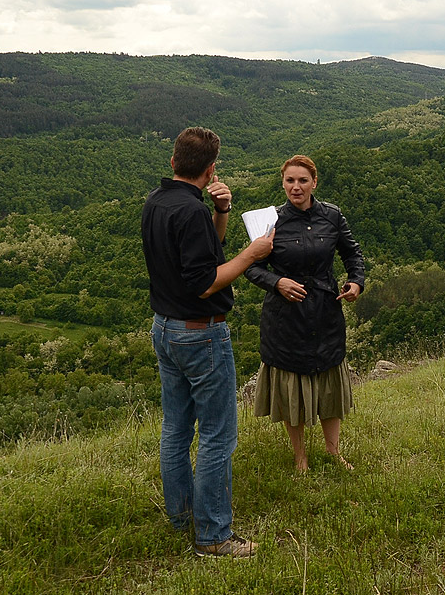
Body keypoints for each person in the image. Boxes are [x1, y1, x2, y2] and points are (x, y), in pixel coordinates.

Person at [142, 126, 274, 558]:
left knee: (176, 428)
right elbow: (204, 281)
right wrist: (252, 255)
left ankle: (181, 515)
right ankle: (213, 536)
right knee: (218, 435)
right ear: (211, 167)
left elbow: (203, 251)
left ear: (174, 162)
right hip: (201, 333)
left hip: (165, 328)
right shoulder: (188, 212)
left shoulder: (158, 202)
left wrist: (222, 212)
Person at [245, 155, 365, 472]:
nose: (295, 187)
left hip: (325, 311)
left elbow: (352, 252)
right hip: (286, 316)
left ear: (314, 182)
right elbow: (250, 266)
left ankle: (333, 451)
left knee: (328, 381)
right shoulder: (268, 221)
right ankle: (300, 457)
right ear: (282, 183)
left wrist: (356, 282)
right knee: (291, 385)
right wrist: (277, 282)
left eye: (302, 180)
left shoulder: (332, 216)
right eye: (289, 181)